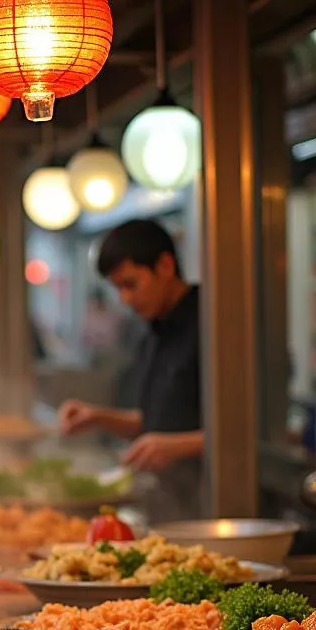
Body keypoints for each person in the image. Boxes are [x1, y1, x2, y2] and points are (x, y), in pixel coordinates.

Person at [58, 219, 203, 519]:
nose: (124, 299)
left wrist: (179, 446)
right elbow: (155, 421)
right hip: (168, 507)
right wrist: (97, 417)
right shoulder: (153, 333)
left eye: (131, 284)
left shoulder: (212, 321)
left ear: (164, 265)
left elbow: (249, 432)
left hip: (215, 505)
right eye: (117, 288)